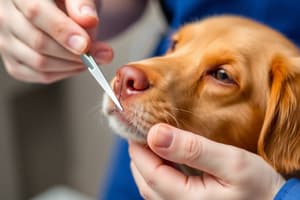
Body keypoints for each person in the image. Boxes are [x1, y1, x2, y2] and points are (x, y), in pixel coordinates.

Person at [0, 0, 300, 199]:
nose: (135, 74)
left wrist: (280, 194)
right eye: (176, 45)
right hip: (143, 175)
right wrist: (77, 11)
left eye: (222, 75)